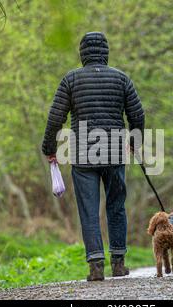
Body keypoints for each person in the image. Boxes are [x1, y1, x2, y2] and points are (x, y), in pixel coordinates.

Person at [42, 31, 145, 281]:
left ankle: (96, 266)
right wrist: (134, 141)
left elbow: (56, 117)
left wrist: (49, 148)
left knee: (88, 209)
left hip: (83, 155)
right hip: (113, 152)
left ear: (82, 54)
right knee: (116, 206)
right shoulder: (121, 78)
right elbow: (137, 115)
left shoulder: (71, 79)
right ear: (106, 53)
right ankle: (118, 263)